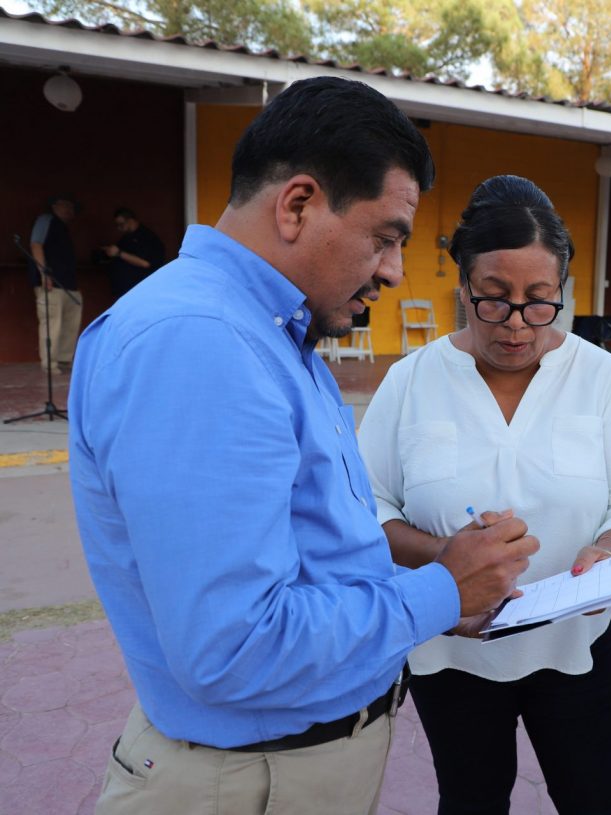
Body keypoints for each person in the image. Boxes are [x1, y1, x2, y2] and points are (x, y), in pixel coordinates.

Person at [68, 77, 538, 815]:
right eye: (385, 238)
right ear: (297, 205)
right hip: (248, 783)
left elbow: (315, 552)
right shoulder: (201, 344)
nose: (393, 271)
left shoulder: (272, 333)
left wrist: (446, 575)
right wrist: (443, 591)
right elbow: (234, 646)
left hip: (274, 771)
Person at [357, 174, 611, 815]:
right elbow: (366, 509)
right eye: (494, 300)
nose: (517, 325)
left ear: (562, 291)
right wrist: (450, 558)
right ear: (463, 288)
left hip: (574, 645)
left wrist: (609, 549)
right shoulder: (412, 380)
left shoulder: (601, 377)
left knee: (598, 801)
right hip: (451, 647)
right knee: (470, 801)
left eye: (539, 301)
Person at [28, 193, 83, 373]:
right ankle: (50, 364)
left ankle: (65, 360)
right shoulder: (46, 219)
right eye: (66, 205)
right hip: (51, 284)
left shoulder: (64, 228)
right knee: (52, 324)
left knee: (70, 323)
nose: (70, 210)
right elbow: (36, 244)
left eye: (71, 207)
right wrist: (44, 273)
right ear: (55, 206)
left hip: (69, 284)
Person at [102, 206, 166, 298]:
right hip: (124, 290)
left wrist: (119, 253)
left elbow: (145, 263)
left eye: (121, 224)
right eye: (117, 225)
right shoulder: (126, 238)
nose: (119, 228)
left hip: (141, 289)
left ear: (131, 221)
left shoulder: (147, 237)